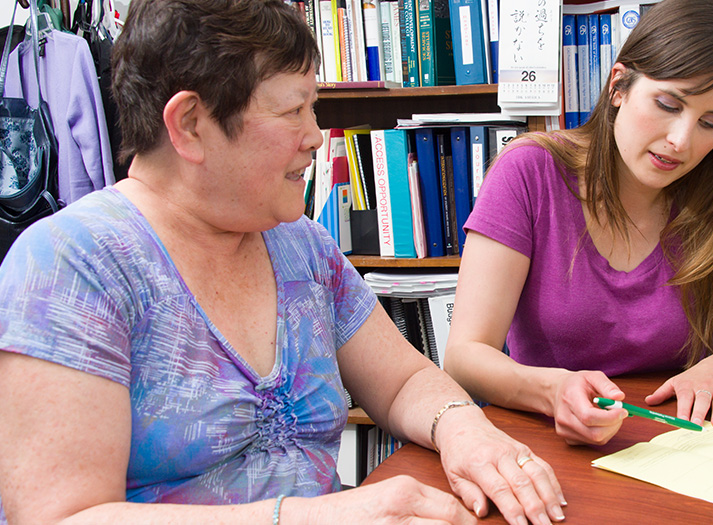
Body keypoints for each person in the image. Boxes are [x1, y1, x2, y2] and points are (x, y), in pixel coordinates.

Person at [0, 1, 566, 524]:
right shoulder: (71, 267)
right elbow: (62, 517)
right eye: (294, 111)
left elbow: (403, 382)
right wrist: (314, 517)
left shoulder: (301, 244)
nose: (316, 137)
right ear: (190, 124)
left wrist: (464, 428)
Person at [444, 0, 713, 447]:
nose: (681, 141)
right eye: (668, 104)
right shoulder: (529, 172)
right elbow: (465, 355)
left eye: (710, 123)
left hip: (683, 441)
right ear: (619, 85)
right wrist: (552, 392)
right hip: (549, 436)